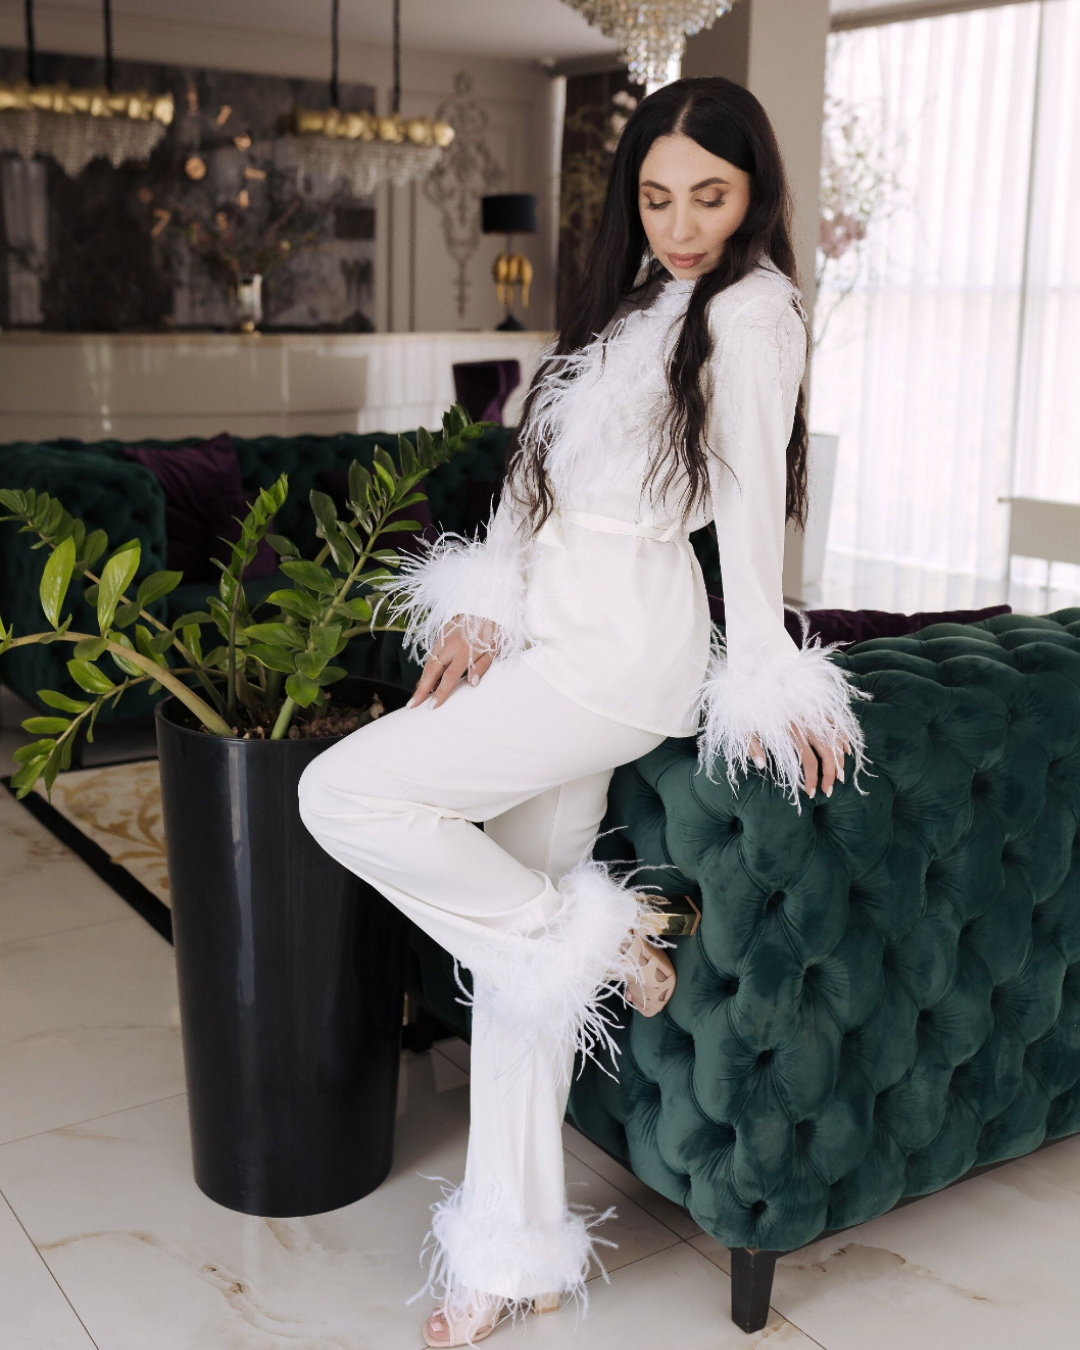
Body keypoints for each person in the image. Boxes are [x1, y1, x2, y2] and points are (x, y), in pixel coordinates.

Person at [297, 75, 872, 1348]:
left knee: (337, 791)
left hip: (620, 650)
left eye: (709, 196)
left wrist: (771, 663)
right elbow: (532, 478)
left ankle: (593, 933)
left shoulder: (755, 310)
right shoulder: (624, 311)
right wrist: (482, 601)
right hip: (545, 634)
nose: (682, 222)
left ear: (755, 193)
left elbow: (746, 505)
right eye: (658, 195)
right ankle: (513, 1257)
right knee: (519, 975)